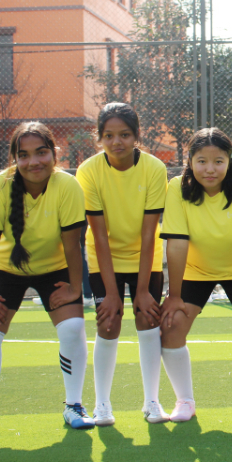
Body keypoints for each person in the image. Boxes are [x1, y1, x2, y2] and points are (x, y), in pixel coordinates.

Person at [0, 122, 93, 439]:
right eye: (24, 155)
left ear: (54, 153)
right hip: (7, 270)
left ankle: (74, 406)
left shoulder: (67, 185)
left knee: (73, 328)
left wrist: (75, 288)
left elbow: (73, 245)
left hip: (55, 269)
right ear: (14, 159)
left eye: (41, 152)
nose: (34, 161)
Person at [159, 128, 232, 421]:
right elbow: (177, 243)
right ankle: (184, 401)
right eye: (202, 161)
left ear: (230, 161)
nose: (210, 169)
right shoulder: (177, 188)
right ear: (190, 161)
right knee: (171, 325)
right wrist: (173, 296)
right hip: (196, 270)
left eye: (218, 161)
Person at [76, 103, 169, 425]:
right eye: (109, 136)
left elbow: (149, 234)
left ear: (136, 136)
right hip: (104, 258)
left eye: (125, 135)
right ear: (99, 138)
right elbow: (99, 236)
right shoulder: (88, 171)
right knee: (108, 323)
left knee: (148, 320)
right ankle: (102, 404)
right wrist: (112, 294)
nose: (117, 142)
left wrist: (142, 290)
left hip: (145, 256)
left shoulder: (154, 168)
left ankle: (152, 402)